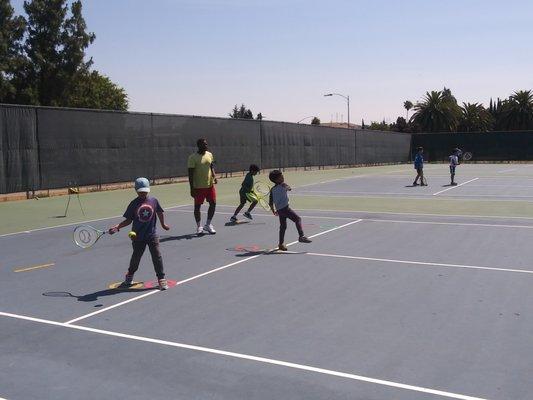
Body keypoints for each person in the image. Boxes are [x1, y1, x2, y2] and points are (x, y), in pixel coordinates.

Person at [108, 177, 170, 290]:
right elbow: (128, 220)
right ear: (136, 190)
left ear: (148, 190)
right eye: (141, 191)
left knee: (157, 256)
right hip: (138, 237)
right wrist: (117, 227)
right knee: (136, 258)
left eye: (145, 191)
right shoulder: (133, 204)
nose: (143, 193)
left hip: (152, 235)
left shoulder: (153, 201)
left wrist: (163, 224)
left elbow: (160, 212)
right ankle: (130, 275)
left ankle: (161, 279)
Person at [268, 170, 311, 251]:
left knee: (283, 227)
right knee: (298, 219)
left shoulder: (272, 189)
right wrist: (286, 187)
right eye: (281, 176)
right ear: (277, 180)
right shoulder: (283, 185)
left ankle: (280, 244)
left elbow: (270, 202)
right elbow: (289, 188)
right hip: (285, 209)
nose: (283, 177)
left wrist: (273, 211)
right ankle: (301, 236)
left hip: (280, 210)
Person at [188, 138, 217, 234]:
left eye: (206, 144)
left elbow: (211, 165)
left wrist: (214, 175)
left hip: (210, 185)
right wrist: (192, 188)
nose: (206, 146)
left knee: (213, 203)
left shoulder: (209, 154)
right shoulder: (192, 158)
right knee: (197, 207)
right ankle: (199, 227)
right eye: (204, 144)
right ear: (199, 145)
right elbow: (190, 174)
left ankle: (208, 225)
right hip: (198, 187)